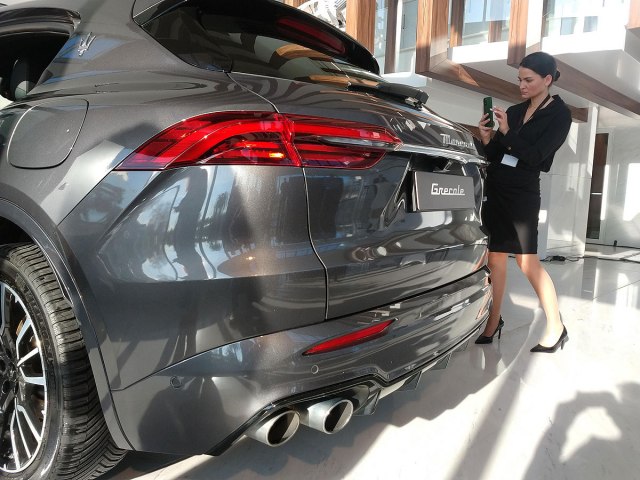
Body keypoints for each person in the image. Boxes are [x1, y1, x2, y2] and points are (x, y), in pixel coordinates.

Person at [475, 51, 572, 353]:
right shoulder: (515, 111)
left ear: (547, 79)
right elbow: (495, 155)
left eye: (528, 80)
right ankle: (493, 321)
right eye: (519, 79)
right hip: (497, 190)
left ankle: (556, 326)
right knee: (494, 259)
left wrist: (506, 132)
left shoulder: (560, 114)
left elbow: (536, 157)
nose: (522, 85)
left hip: (523, 194)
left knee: (527, 261)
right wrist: (488, 138)